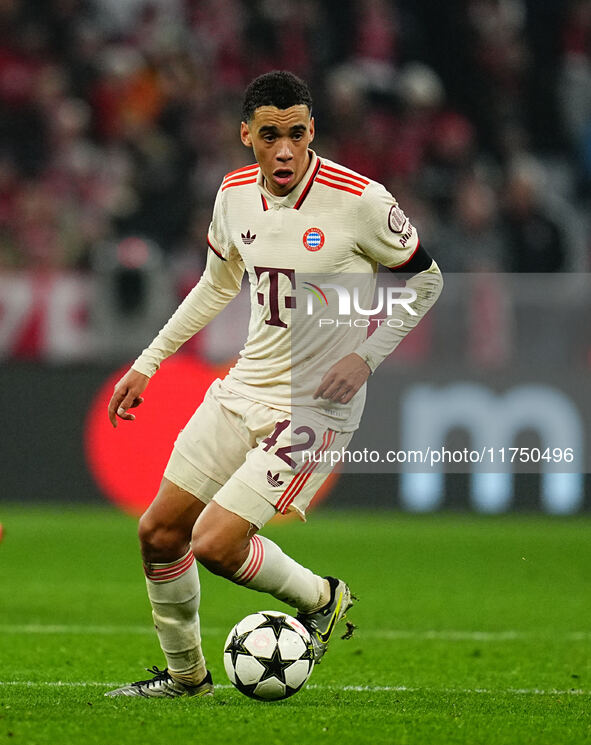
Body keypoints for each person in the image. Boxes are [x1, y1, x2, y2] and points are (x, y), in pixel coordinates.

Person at [105, 71, 443, 698]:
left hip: (317, 404)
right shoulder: (232, 195)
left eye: (295, 134)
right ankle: (187, 679)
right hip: (244, 386)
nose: (284, 150)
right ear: (246, 137)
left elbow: (428, 282)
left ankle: (322, 597)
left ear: (312, 131)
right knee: (158, 532)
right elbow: (216, 285)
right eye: (269, 136)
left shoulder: (361, 200)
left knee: (214, 542)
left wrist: (365, 357)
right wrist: (148, 363)